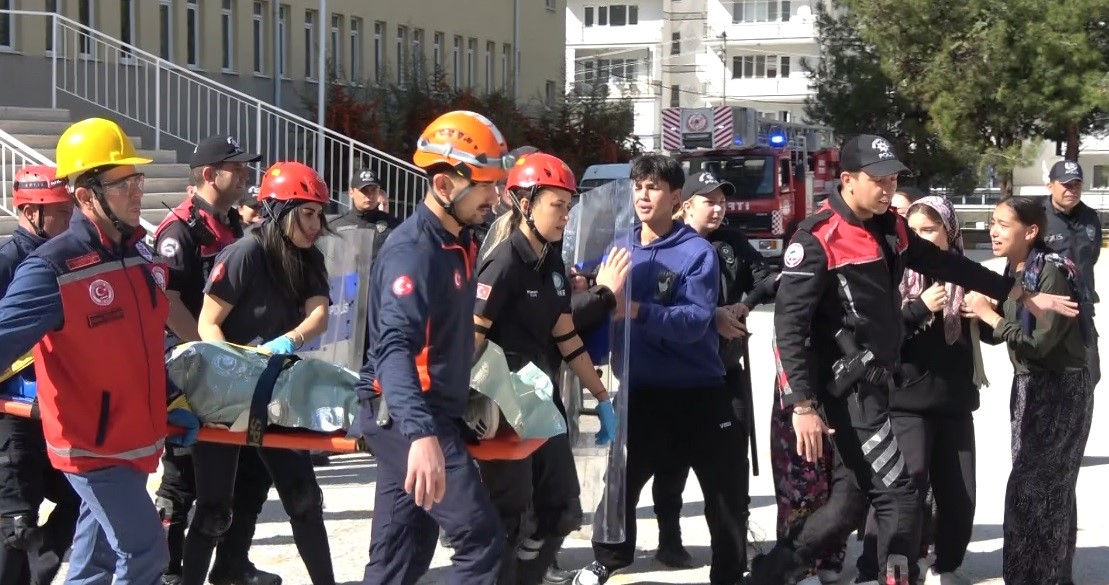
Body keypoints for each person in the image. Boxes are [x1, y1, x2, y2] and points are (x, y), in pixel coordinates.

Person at [747, 134, 1078, 585]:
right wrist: (802, 406)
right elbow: (787, 329)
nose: (888, 188)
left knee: (847, 504)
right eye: (878, 179)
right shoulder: (816, 238)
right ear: (847, 180)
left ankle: (767, 575)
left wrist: (1019, 292)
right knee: (902, 497)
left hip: (876, 385)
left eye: (894, 178)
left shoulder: (892, 227)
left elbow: (950, 265)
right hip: (846, 392)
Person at [0, 117, 202, 584]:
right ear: (86, 195)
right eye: (121, 182)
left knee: (95, 567)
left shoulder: (138, 255)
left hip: (134, 440)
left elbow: (144, 346)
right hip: (91, 446)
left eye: (137, 178)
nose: (136, 191)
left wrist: (171, 397)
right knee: (147, 553)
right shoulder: (52, 267)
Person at [575, 154, 749, 585]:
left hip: (699, 393)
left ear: (676, 198)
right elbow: (595, 306)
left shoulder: (697, 252)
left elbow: (694, 322)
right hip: (642, 392)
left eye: (653, 187)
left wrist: (635, 310)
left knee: (724, 494)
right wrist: (591, 292)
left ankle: (729, 573)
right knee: (620, 487)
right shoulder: (618, 247)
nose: (642, 195)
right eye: (637, 186)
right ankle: (608, 560)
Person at [357, 110, 507, 585]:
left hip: (420, 413)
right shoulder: (413, 252)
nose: (495, 196)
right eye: (484, 185)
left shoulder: (456, 240)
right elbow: (394, 349)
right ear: (445, 185)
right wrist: (421, 436)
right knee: (480, 543)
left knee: (399, 560)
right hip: (408, 416)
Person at [183, 161, 336, 585]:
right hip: (223, 394)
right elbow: (207, 322)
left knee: (305, 499)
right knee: (213, 512)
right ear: (276, 210)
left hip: (276, 391)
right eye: (306, 213)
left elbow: (319, 314)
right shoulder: (246, 253)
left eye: (319, 213)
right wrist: (230, 367)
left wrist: (290, 340)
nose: (316, 224)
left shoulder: (310, 258)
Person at [471, 152, 619, 585]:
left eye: (569, 207)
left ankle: (526, 577)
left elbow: (566, 336)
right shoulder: (503, 262)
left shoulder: (550, 259)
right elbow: (472, 338)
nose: (565, 216)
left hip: (539, 399)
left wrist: (603, 396)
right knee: (510, 517)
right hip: (500, 404)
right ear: (524, 203)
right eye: (557, 205)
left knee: (562, 508)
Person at [153, 135, 281, 585]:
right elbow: (167, 301)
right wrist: (213, 352)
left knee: (250, 474)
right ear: (210, 174)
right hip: (193, 370)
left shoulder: (231, 223)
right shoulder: (179, 229)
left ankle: (231, 566)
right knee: (184, 481)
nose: (246, 175)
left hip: (235, 372)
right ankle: (169, 572)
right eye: (238, 168)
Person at [649, 170, 778, 570]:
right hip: (677, 377)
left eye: (723, 201)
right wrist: (710, 316)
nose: (719, 208)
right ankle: (669, 538)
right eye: (710, 200)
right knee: (670, 462)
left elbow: (768, 278)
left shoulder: (731, 243)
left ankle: (732, 543)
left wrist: (745, 304)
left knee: (730, 463)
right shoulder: (667, 245)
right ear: (685, 205)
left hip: (724, 370)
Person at [854, 196, 985, 585]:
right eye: (913, 232)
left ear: (950, 232)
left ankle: (946, 565)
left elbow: (990, 334)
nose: (920, 239)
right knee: (902, 493)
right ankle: (878, 568)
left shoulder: (966, 273)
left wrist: (986, 313)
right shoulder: (892, 274)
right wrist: (918, 308)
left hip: (955, 403)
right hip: (905, 402)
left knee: (960, 499)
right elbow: (877, 333)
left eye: (929, 231)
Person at [964, 196, 1093, 585]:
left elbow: (1039, 343)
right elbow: (1011, 332)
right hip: (1031, 385)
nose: (993, 229)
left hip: (1059, 389)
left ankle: (1035, 577)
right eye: (992, 221)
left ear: (1031, 231)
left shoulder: (1049, 271)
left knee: (1034, 490)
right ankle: (1051, 576)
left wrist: (990, 315)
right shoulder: (1017, 268)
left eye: (1003, 223)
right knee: (1049, 490)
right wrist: (988, 315)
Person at [0, 166, 80, 585]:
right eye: (60, 211)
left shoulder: (66, 260)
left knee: (80, 501)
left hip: (54, 409)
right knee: (17, 525)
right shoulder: (7, 263)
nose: (70, 219)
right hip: (13, 416)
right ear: (30, 212)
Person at [1041, 160, 1100, 386]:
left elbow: (1090, 258)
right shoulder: (1038, 218)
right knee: (1047, 380)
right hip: (1048, 312)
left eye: (1076, 184)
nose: (1071, 190)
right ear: (1050, 186)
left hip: (1082, 310)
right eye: (1065, 184)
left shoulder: (1090, 218)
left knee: (1089, 375)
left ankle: (1081, 422)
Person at [329, 168, 400, 257]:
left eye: (374, 189)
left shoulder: (394, 225)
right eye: (364, 190)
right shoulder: (335, 226)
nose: (370, 195)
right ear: (351, 192)